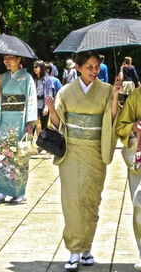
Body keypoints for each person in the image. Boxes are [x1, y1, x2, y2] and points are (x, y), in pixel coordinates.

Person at [45, 51, 121, 271]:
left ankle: (87, 248)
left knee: (91, 201)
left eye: (97, 66)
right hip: (71, 152)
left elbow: (111, 119)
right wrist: (51, 109)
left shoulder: (107, 90)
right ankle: (73, 251)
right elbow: (59, 123)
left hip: (95, 151)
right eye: (89, 66)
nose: (94, 71)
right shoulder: (66, 91)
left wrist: (115, 95)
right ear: (78, 68)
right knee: (72, 202)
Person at [0, 54, 37, 204]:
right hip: (5, 120)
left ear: (19, 59)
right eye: (4, 58)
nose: (6, 61)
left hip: (20, 120)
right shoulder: (3, 77)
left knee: (18, 158)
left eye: (10, 58)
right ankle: (1, 191)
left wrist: (30, 123)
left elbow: (31, 99)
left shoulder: (27, 77)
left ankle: (19, 192)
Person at [116, 86, 141, 271]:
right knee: (140, 203)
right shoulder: (136, 96)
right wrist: (132, 127)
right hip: (139, 156)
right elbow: (120, 126)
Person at [33, 60, 55, 131]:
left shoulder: (48, 79)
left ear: (41, 68)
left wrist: (47, 107)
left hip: (43, 105)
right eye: (34, 67)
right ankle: (30, 141)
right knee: (33, 125)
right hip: (34, 105)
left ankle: (43, 141)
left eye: (36, 67)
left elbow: (50, 93)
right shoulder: (34, 79)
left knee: (44, 127)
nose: (34, 69)